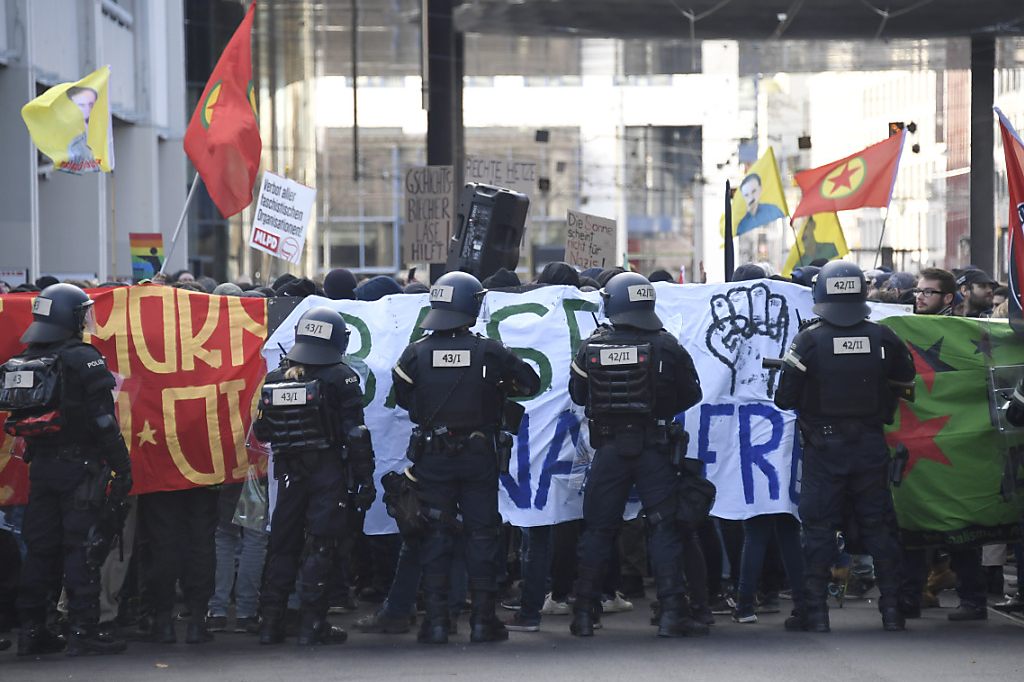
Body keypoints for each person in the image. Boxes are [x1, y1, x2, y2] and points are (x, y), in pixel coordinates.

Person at [391, 271, 540, 644]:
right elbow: (530, 383)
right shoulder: (489, 351)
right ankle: (482, 621)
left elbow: (406, 402)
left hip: (433, 458)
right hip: (478, 457)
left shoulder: (415, 353)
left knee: (436, 533)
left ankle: (437, 622)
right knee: (482, 535)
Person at [774, 260, 916, 632]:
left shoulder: (808, 339)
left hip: (824, 449)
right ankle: (892, 612)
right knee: (879, 526)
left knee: (818, 530)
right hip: (870, 445)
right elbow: (906, 378)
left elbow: (784, 398)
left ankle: (814, 614)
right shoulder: (883, 337)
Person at [568, 272, 707, 638]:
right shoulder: (668, 346)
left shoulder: (592, 347)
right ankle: (672, 614)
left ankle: (583, 614)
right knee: (664, 527)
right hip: (654, 449)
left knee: (598, 530)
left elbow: (579, 395)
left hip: (610, 449)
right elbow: (692, 394)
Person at [1, 283, 133, 656]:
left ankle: (32, 629)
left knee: (41, 549)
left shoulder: (28, 358)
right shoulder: (82, 357)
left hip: (40, 467)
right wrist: (122, 466)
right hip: (81, 468)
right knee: (82, 548)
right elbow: (104, 421)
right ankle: (83, 630)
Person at [254, 307, 376, 646]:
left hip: (288, 470)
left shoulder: (276, 378)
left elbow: (263, 429)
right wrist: (365, 477)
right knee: (321, 545)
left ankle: (270, 624)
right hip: (327, 470)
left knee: (283, 545)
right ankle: (311, 624)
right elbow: (355, 433)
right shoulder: (342, 376)